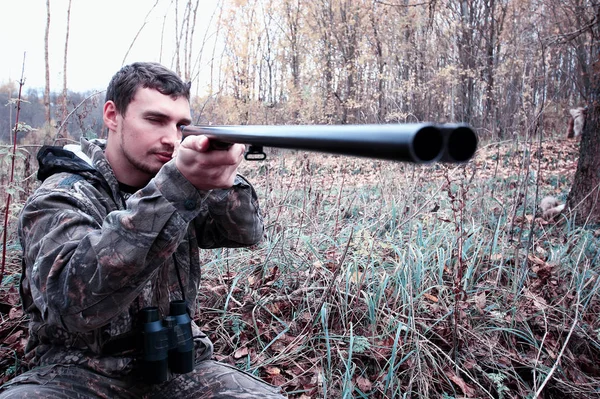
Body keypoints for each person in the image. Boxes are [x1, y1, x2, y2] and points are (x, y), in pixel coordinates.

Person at [0, 62, 285, 398]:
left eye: (182, 125)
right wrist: (175, 187)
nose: (171, 138)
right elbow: (72, 305)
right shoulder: (61, 194)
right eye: (155, 120)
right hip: (77, 372)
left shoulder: (180, 180)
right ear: (112, 116)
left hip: (180, 364)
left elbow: (245, 232)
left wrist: (218, 174)